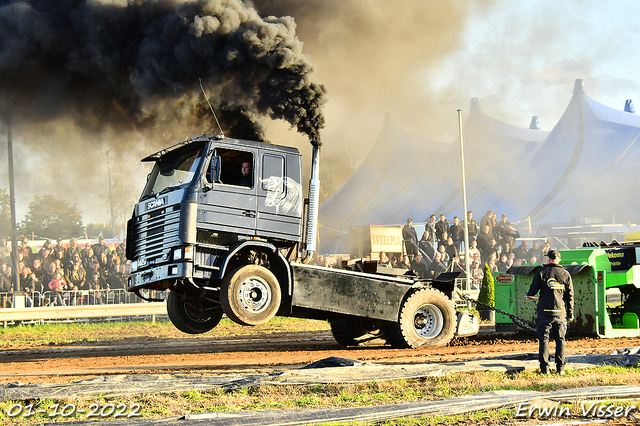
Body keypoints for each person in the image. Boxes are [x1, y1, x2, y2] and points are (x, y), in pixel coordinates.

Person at [526, 250, 574, 375]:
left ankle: (545, 369)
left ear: (548, 259)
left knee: (544, 340)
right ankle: (561, 369)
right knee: (560, 340)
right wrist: (570, 314)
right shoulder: (566, 274)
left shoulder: (542, 272)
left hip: (544, 313)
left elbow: (533, 290)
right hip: (560, 313)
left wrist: (529, 295)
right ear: (559, 260)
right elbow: (570, 296)